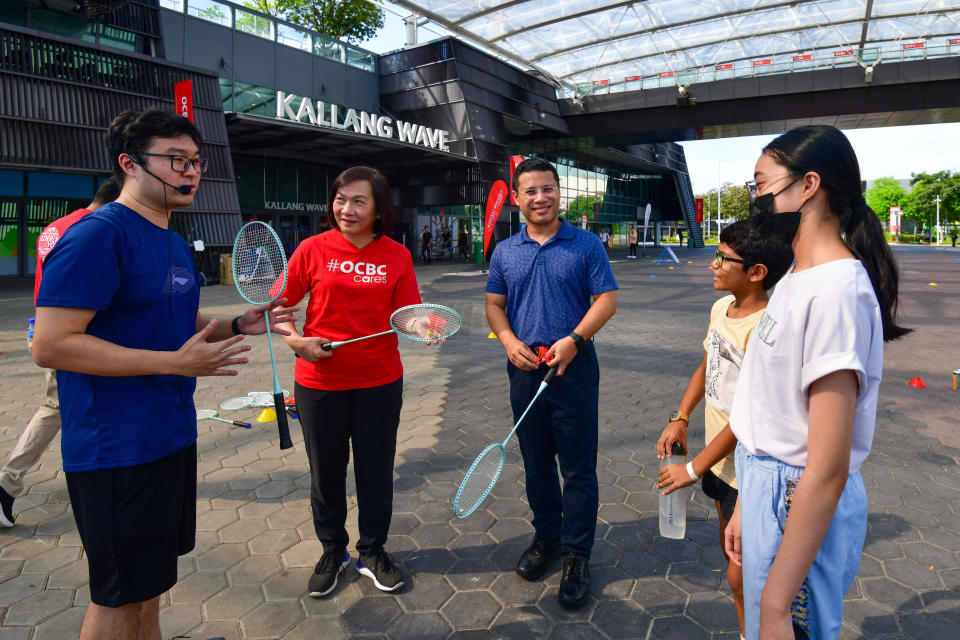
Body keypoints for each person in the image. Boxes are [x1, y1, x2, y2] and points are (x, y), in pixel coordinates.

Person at [32, 107, 296, 640]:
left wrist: (237, 324)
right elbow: (51, 345)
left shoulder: (174, 243)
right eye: (176, 161)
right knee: (117, 597)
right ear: (129, 164)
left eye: (196, 161)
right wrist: (173, 364)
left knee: (149, 585)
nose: (191, 172)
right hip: (116, 451)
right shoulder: (97, 236)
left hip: (169, 438)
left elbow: (176, 317)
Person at [724, 125, 909, 640]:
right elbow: (771, 409)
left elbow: (826, 466)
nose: (755, 197)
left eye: (761, 184)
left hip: (795, 495)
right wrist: (745, 500)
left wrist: (779, 602)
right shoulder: (797, 278)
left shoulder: (835, 293)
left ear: (808, 185)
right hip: (768, 487)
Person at [275, 166, 433, 598]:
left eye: (358, 200)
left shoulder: (396, 256)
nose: (345, 208)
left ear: (379, 208)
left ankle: (372, 551)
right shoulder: (312, 249)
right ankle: (333, 550)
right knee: (325, 473)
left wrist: (425, 326)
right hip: (318, 382)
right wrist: (298, 343)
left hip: (379, 383)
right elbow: (279, 308)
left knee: (375, 471)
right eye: (340, 199)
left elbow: (407, 316)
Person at [486, 157, 617, 609]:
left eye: (548, 189)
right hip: (524, 369)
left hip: (573, 368)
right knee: (536, 462)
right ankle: (548, 538)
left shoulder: (585, 245)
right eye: (531, 191)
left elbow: (607, 300)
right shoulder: (505, 251)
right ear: (517, 199)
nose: (540, 198)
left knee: (578, 468)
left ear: (559, 193)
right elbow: (495, 305)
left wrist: (576, 339)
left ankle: (578, 554)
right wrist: (507, 340)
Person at [656, 220, 793, 640]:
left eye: (722, 259)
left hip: (751, 471)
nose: (712, 265)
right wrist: (681, 416)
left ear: (757, 272)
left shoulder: (765, 329)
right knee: (732, 557)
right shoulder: (722, 309)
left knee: (746, 578)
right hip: (720, 466)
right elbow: (706, 366)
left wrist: (691, 469)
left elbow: (747, 416)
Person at [0, 178, 120, 528]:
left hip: (40, 325)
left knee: (75, 405)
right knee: (56, 407)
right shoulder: (92, 231)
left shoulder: (54, 227)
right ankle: (7, 484)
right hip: (66, 336)